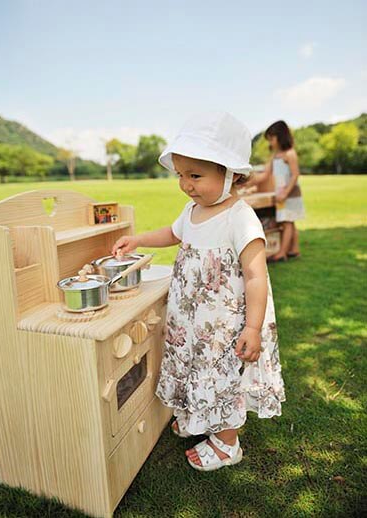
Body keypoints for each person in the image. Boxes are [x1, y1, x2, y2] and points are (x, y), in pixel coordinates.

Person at [112, 112, 285, 471]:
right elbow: (172, 235)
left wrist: (252, 329)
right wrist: (139, 239)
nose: (187, 185)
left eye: (195, 175)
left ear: (231, 174)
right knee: (194, 367)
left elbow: (256, 276)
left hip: (225, 325)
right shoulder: (193, 210)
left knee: (221, 376)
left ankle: (227, 443)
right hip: (191, 321)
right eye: (180, 175)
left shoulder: (239, 218)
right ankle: (198, 418)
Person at [247, 120, 305, 262]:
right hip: (281, 193)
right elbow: (265, 175)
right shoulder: (275, 156)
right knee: (289, 222)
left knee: (287, 222)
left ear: (281, 136)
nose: (271, 143)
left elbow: (295, 174)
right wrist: (247, 184)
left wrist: (285, 193)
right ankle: (294, 250)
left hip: (290, 193)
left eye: (272, 139)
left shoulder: (290, 154)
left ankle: (282, 253)